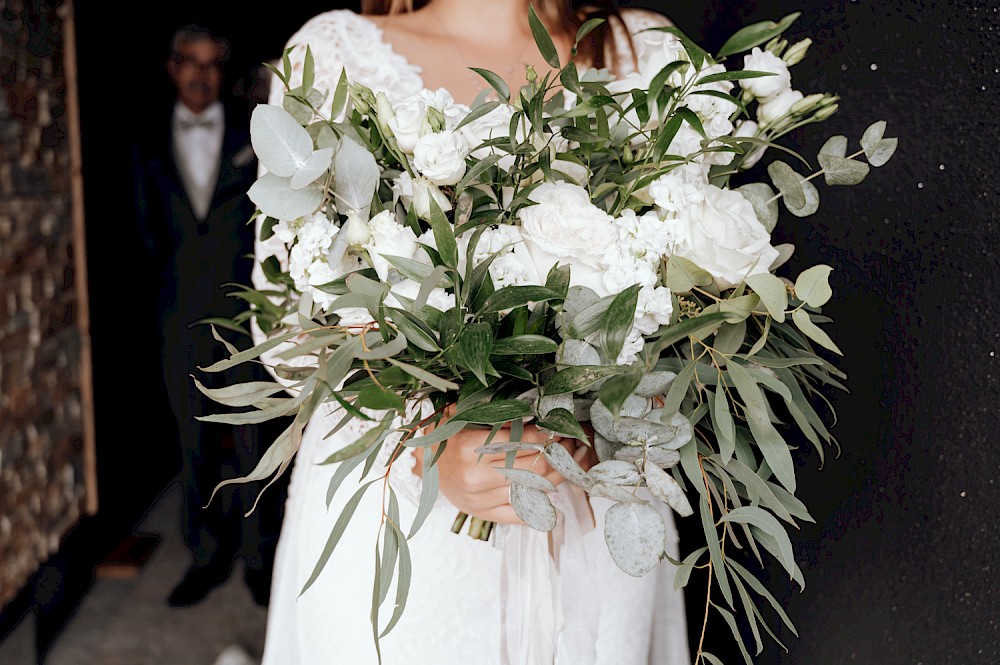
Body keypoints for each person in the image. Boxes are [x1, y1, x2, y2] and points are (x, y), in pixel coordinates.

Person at [251, 2, 690, 663]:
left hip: (591, 516)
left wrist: (630, 409)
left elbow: (694, 300)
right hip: (407, 530)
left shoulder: (646, 53)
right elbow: (291, 333)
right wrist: (427, 448)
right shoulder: (332, 53)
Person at [131, 24, 287, 608]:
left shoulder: (255, 135)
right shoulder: (144, 142)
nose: (200, 75)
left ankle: (260, 560)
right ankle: (203, 555)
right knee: (191, 443)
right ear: (172, 68)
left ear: (224, 72)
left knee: (254, 444)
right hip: (178, 319)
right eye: (188, 63)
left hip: (246, 317)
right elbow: (141, 236)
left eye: (212, 64)